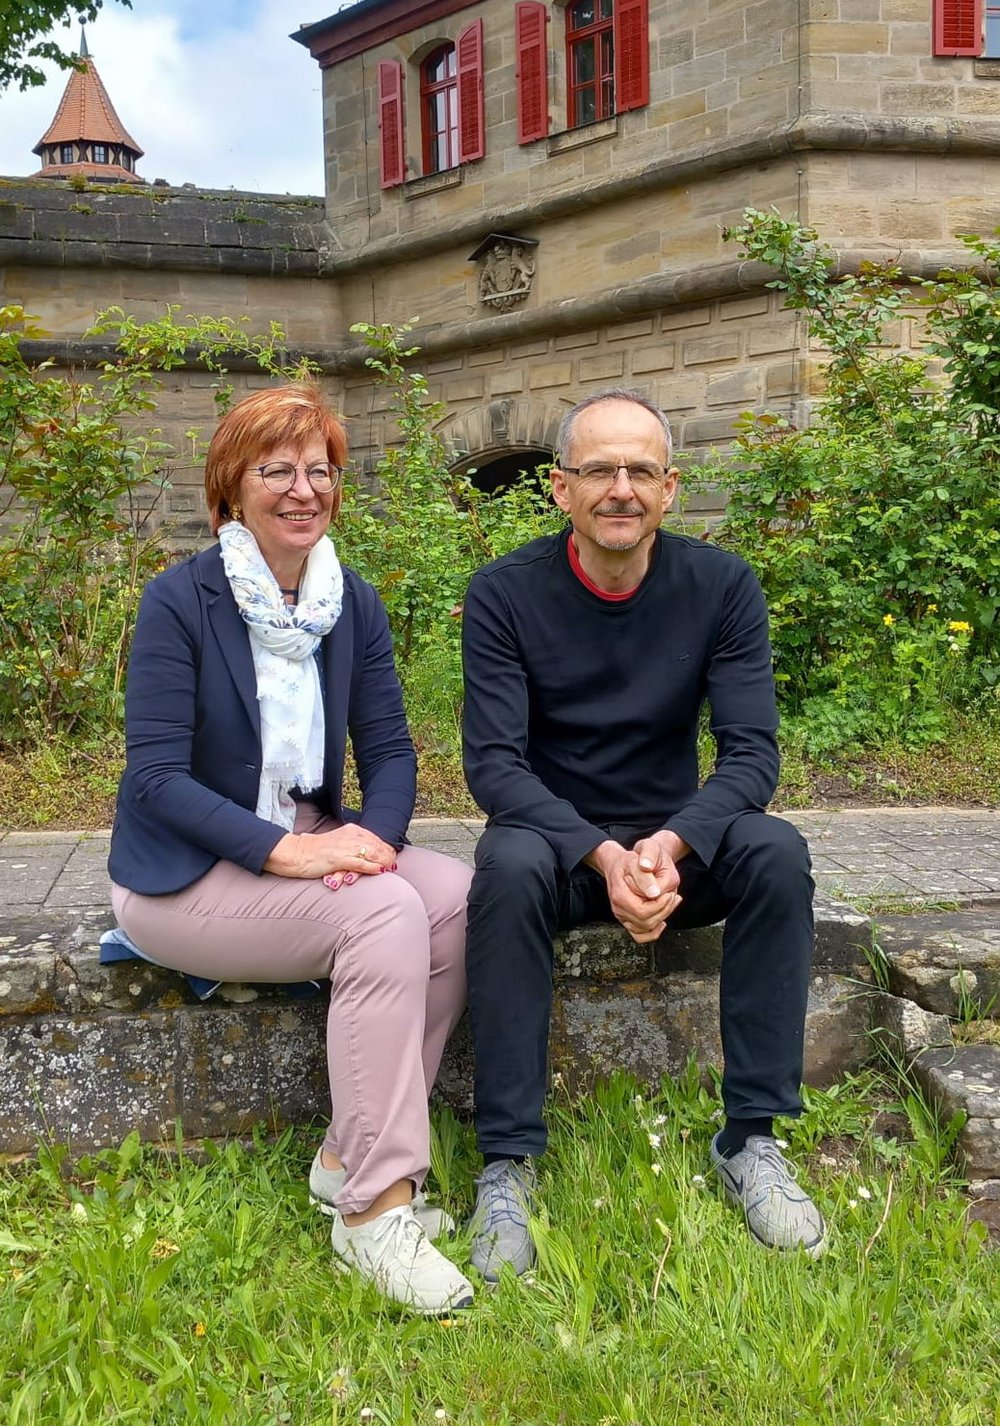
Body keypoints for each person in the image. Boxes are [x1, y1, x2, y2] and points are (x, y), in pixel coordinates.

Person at [108, 384, 474, 1315]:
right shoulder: (179, 600)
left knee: (456, 899)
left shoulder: (349, 601)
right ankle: (374, 1213)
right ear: (232, 486)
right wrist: (291, 854)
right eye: (277, 470)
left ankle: (347, 1157)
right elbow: (156, 779)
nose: (304, 490)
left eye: (321, 471)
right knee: (382, 914)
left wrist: (370, 844)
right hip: (183, 876)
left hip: (306, 839)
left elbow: (390, 751)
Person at [461, 388, 826, 1281]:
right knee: (504, 862)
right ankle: (509, 1161)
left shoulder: (722, 586)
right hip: (559, 851)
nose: (619, 488)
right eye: (598, 470)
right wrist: (601, 853)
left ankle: (750, 1139)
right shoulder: (504, 593)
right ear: (560, 488)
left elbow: (751, 755)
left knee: (776, 852)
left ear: (670, 487)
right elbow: (495, 768)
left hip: (672, 849)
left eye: (639, 470)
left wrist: (668, 847)